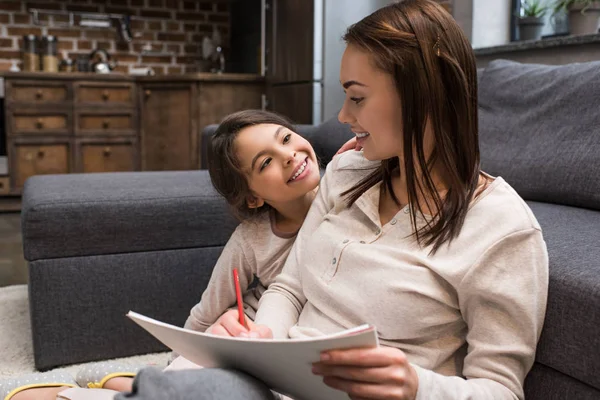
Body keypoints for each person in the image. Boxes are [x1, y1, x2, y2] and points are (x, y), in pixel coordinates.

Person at [113, 1, 549, 399]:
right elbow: (290, 285)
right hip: (276, 378)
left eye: (356, 97)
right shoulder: (344, 173)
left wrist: (418, 386)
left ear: (424, 97)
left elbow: (501, 391)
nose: (342, 115)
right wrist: (260, 340)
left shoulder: (503, 229)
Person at [0, 110, 357, 400]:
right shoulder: (251, 239)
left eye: (286, 138)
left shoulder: (345, 186)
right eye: (265, 163)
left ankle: (127, 382)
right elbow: (207, 310)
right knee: (196, 379)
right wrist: (181, 362)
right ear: (252, 197)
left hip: (306, 334)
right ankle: (76, 391)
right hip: (253, 332)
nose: (290, 155)